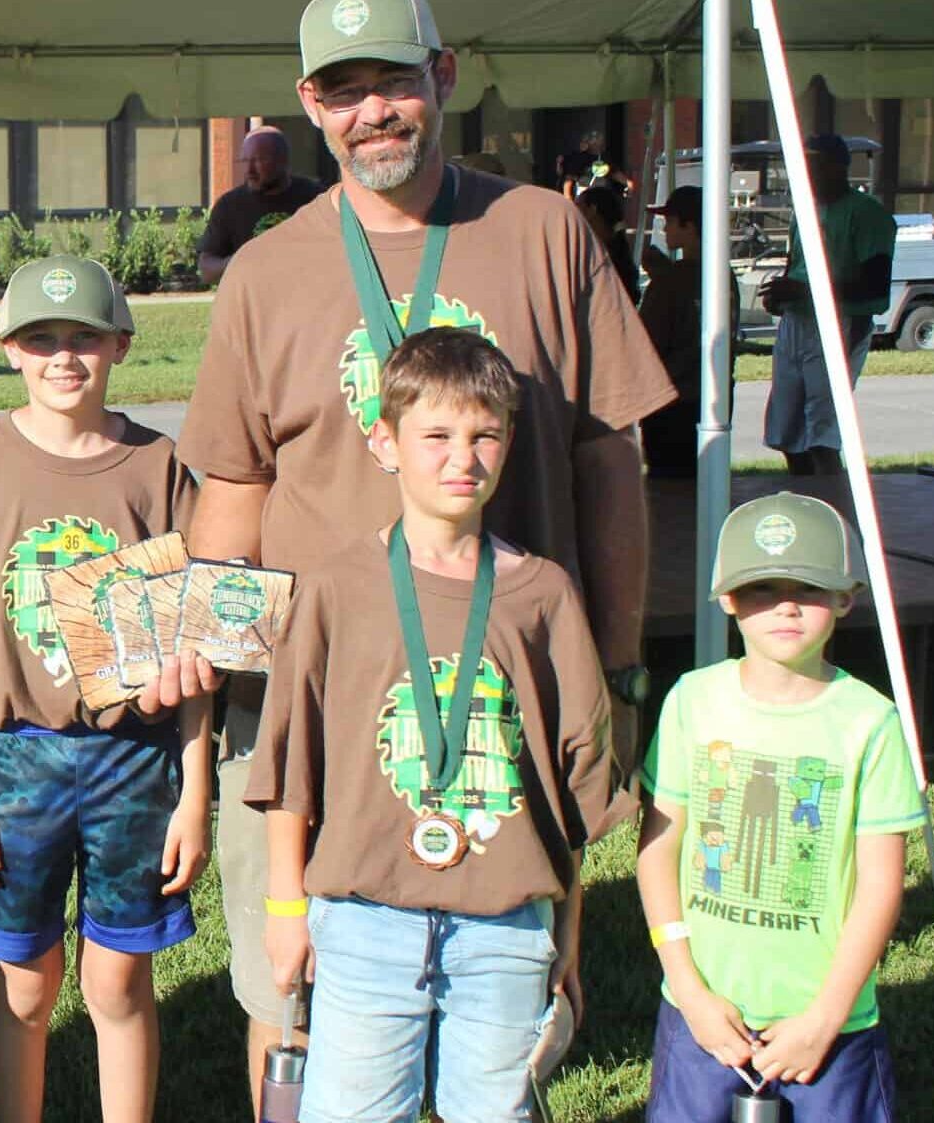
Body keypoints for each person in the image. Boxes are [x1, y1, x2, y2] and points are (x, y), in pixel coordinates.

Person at [171, 1, 676, 1111]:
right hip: (320, 707)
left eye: (391, 81)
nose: (370, 112)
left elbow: (607, 465)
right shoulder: (265, 273)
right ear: (308, 104)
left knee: (504, 1020)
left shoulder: (544, 231)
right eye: (341, 90)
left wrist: (619, 666)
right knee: (288, 1003)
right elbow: (234, 489)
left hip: (500, 698)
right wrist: (216, 715)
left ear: (443, 74)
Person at [250, 327, 612, 1123]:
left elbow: (573, 797)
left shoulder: (541, 596)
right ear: (386, 440)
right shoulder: (338, 587)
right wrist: (285, 912)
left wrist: (567, 933)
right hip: (365, 919)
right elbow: (290, 768)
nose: (462, 458)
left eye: (484, 435)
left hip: (506, 928)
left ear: (510, 442)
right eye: (437, 436)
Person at [0, 255, 212, 1122]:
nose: (63, 357)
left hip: (133, 757)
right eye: (41, 339)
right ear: (8, 349)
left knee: (118, 979)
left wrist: (195, 793)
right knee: (26, 985)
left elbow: (192, 651)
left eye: (83, 337)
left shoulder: (157, 467)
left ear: (120, 343)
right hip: (13, 760)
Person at [636, 492, 921, 1120]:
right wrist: (687, 986)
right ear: (728, 599)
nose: (786, 606)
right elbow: (658, 850)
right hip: (703, 1018)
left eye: (809, 589)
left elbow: (880, 886)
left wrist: (826, 1016)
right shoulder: (691, 700)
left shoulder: (870, 722)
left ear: (847, 597)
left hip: (831, 1029)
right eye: (763, 589)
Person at [761, 134, 895, 477]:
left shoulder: (868, 214)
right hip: (796, 324)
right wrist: (780, 296)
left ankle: (833, 506)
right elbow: (796, 266)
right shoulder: (803, 212)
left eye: (813, 165)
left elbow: (874, 283)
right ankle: (805, 496)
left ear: (838, 168)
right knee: (786, 427)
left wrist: (805, 290)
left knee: (823, 426)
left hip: (841, 323)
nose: (804, 173)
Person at [638, 185, 736, 478]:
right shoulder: (724, 274)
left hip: (671, 402)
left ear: (689, 226)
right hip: (713, 394)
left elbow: (648, 341)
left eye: (669, 221)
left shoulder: (670, 282)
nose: (664, 228)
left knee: (669, 492)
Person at [197, 126, 324, 286]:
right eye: (244, 160)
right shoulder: (229, 206)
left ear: (283, 161)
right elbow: (206, 271)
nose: (249, 170)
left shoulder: (315, 198)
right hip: (254, 303)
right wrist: (242, 260)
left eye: (258, 160)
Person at [576, 180, 641, 302]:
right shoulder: (616, 251)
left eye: (577, 206)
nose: (573, 213)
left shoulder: (599, 257)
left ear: (592, 210)